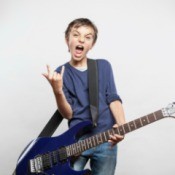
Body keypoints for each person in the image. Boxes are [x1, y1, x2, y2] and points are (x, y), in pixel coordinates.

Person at [43, 18, 126, 175]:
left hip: (106, 140)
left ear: (92, 45)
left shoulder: (103, 66)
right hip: (76, 142)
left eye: (88, 37)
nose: (81, 39)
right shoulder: (61, 72)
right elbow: (68, 114)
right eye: (76, 35)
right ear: (67, 40)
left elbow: (113, 97)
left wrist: (121, 125)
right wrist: (57, 90)